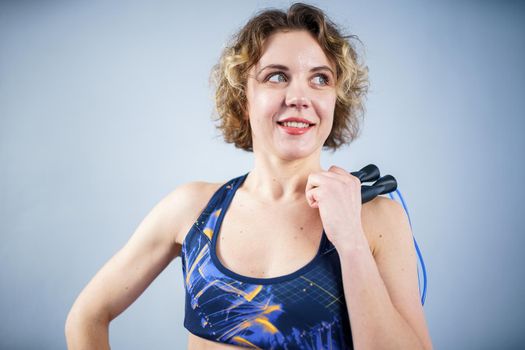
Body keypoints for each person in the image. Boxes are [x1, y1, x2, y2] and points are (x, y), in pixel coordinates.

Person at [65, 3, 433, 349]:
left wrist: (350, 239)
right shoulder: (193, 209)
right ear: (243, 98)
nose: (299, 97)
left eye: (320, 79)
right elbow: (86, 317)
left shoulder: (376, 220)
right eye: (276, 77)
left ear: (336, 100)